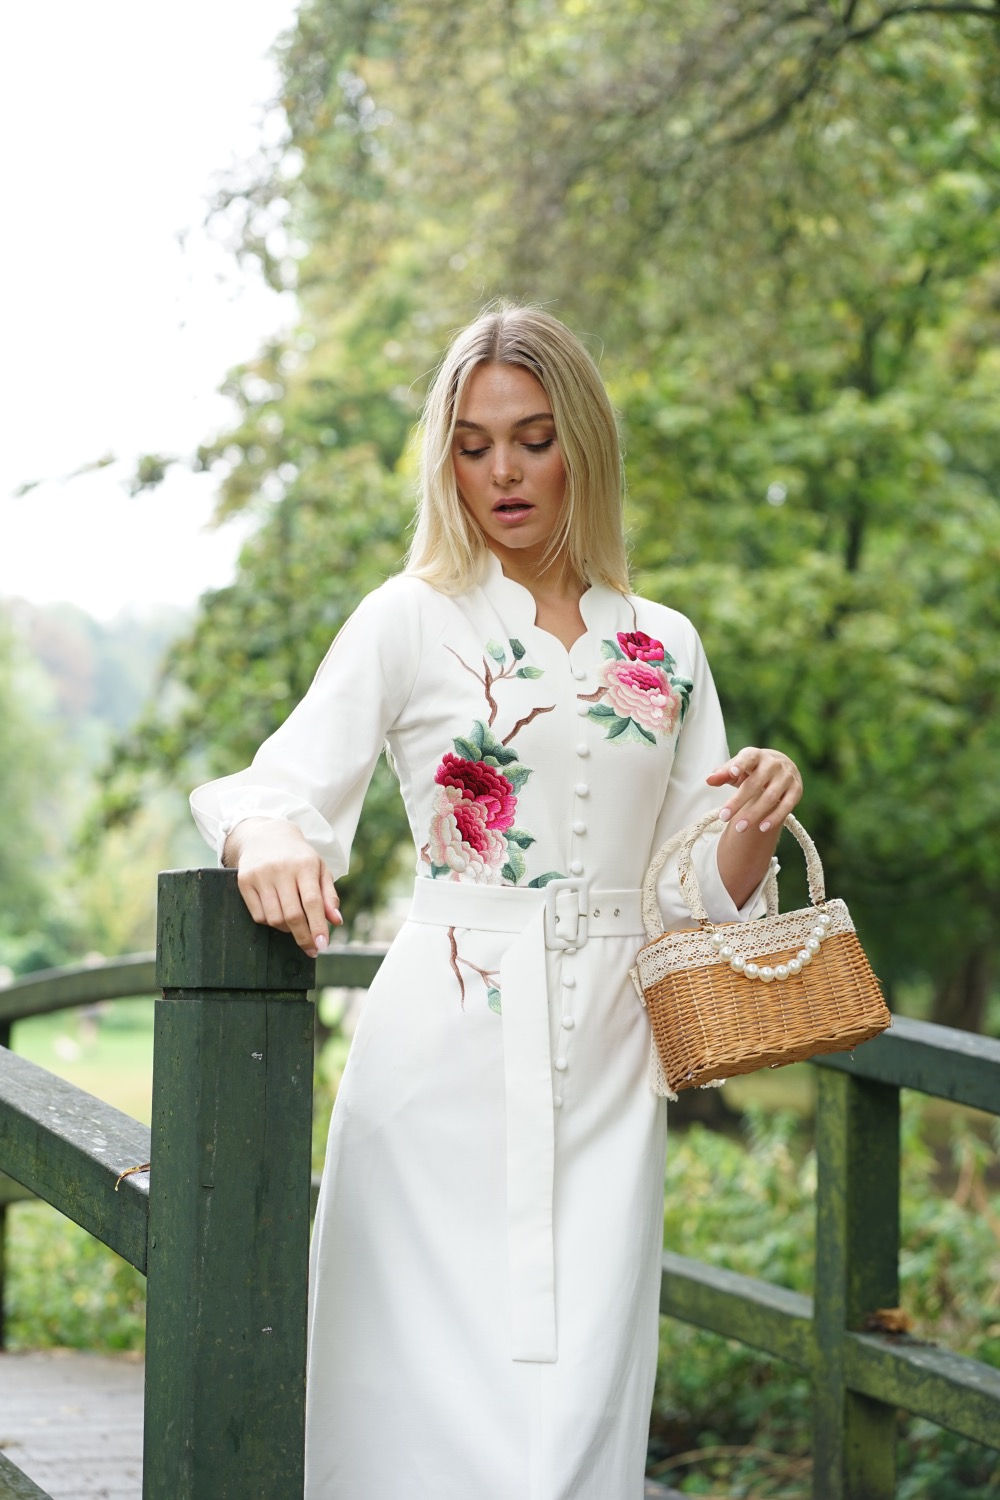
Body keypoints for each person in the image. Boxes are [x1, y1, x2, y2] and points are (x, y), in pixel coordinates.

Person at [190, 304, 802, 1499]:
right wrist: (264, 835)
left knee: (576, 1416)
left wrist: (750, 825)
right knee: (406, 1407)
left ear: (583, 444)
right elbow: (272, 786)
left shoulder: (665, 645)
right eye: (472, 445)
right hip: (443, 1053)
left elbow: (692, 897)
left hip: (614, 1060)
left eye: (531, 438)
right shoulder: (406, 617)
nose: (503, 473)